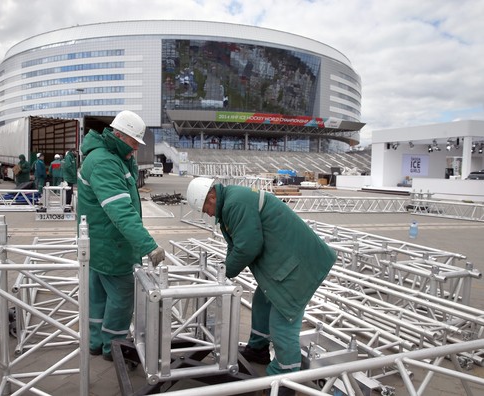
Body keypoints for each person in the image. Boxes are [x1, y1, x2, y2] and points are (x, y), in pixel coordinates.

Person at [186, 177, 336, 395]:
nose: (207, 213)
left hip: (299, 266)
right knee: (262, 301)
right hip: (286, 262)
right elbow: (237, 243)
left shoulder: (234, 203)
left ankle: (285, 380)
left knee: (282, 324)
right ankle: (258, 349)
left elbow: (248, 247)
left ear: (212, 196)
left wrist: (225, 273)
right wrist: (223, 270)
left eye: (205, 208)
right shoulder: (231, 201)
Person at [77, 110, 165, 361]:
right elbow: (120, 211)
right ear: (118, 135)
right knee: (122, 297)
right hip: (111, 246)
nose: (136, 148)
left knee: (99, 297)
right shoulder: (106, 162)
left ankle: (96, 342)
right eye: (133, 141)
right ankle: (113, 348)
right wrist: (149, 245)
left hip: (99, 243)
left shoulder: (109, 157)